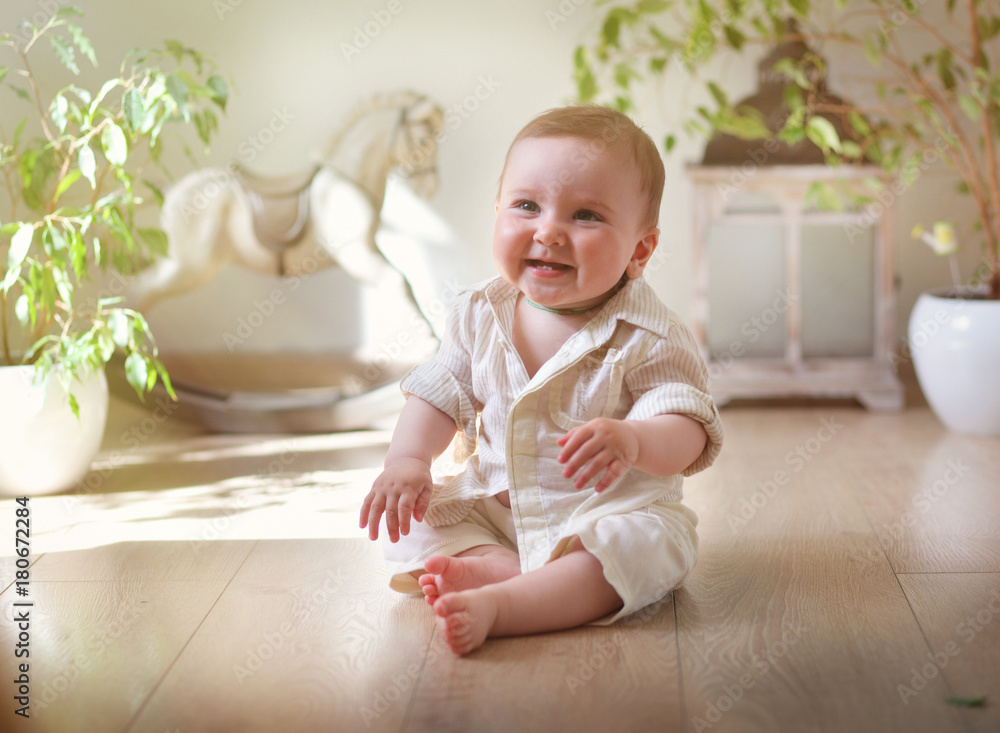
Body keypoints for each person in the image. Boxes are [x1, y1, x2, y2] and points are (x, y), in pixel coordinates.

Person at [359, 105, 723, 655]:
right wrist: (406, 462)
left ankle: (507, 605)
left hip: (604, 518)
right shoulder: (479, 313)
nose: (548, 231)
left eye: (586, 216)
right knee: (413, 522)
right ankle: (501, 568)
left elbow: (688, 424)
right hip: (498, 511)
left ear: (640, 250)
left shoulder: (650, 334)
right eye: (527, 206)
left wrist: (636, 439)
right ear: (498, 213)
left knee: (645, 548)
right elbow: (440, 390)